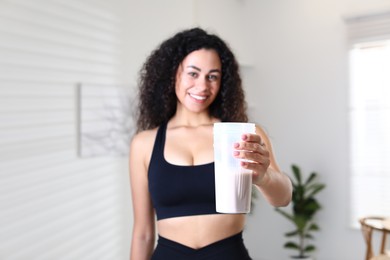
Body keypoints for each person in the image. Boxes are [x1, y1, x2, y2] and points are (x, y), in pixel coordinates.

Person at [129, 27, 292, 260]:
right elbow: (143, 234)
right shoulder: (144, 144)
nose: (203, 86)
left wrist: (263, 177)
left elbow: (283, 197)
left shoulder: (243, 134)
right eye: (193, 74)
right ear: (172, 73)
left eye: (212, 76)